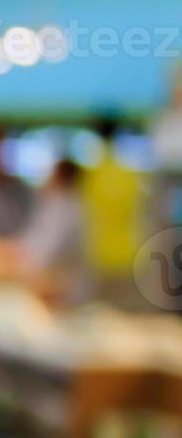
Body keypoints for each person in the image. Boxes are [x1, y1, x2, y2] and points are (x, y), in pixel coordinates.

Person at [78, 113, 144, 304]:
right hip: (129, 252)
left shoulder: (90, 171)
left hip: (97, 253)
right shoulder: (128, 172)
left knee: (99, 314)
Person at [20, 159, 85, 300]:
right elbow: (32, 239)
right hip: (49, 283)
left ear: (58, 176)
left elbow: (45, 253)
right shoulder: (54, 204)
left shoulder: (67, 210)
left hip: (64, 291)